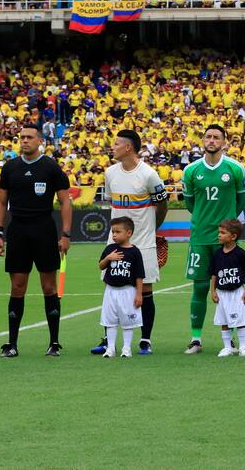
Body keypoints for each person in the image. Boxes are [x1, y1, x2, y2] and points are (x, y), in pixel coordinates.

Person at [0, 122, 72, 358]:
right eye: (22, 137)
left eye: (29, 137)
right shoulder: (10, 168)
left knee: (48, 287)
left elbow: (65, 202)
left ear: (40, 141)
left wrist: (66, 234)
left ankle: (54, 343)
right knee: (17, 287)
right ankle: (12, 344)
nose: (24, 140)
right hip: (17, 231)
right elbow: (1, 202)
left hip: (44, 230)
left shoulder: (51, 167)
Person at [91, 129, 168, 356]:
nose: (112, 147)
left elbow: (162, 205)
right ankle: (108, 339)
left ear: (128, 148)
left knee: (146, 289)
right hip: (114, 242)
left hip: (143, 241)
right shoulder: (110, 173)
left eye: (116, 144)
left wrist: (152, 228)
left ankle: (145, 339)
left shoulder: (149, 175)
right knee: (111, 286)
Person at [181, 124, 245, 355]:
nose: (211, 140)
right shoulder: (191, 171)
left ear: (224, 142)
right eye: (208, 136)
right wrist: (204, 219)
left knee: (234, 287)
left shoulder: (236, 169)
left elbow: (241, 201)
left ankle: (236, 340)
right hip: (200, 235)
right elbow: (190, 204)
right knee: (200, 286)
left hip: (226, 238)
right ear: (203, 140)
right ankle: (196, 339)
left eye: (216, 137)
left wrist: (227, 225)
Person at [98, 217, 145, 359]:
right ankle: (110, 348)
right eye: (113, 232)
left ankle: (126, 348)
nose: (114, 235)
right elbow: (100, 266)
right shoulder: (110, 249)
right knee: (110, 321)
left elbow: (139, 276)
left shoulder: (135, 252)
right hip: (111, 291)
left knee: (127, 321)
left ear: (129, 233)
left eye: (118, 232)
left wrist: (139, 294)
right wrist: (108, 258)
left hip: (127, 291)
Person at [209, 219, 245, 357]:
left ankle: (243, 346)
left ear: (233, 236)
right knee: (224, 320)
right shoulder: (216, 254)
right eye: (219, 232)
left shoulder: (241, 253)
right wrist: (213, 291)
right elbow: (214, 275)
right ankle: (227, 347)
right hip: (222, 293)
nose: (219, 235)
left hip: (237, 292)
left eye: (223, 233)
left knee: (240, 320)